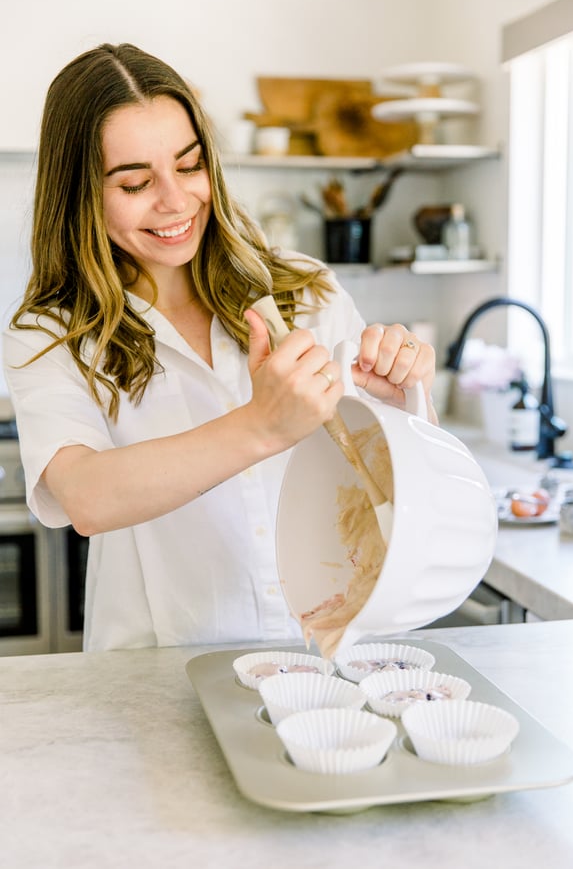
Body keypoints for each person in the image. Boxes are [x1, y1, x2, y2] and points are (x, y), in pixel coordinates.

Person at [2, 43, 436, 651]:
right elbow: (86, 497)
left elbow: (392, 481)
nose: (175, 201)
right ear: (81, 195)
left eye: (189, 166)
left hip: (320, 661)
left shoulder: (303, 290)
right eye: (134, 182)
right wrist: (261, 424)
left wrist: (402, 396)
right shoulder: (51, 332)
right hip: (153, 683)